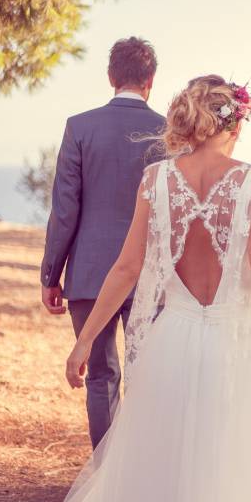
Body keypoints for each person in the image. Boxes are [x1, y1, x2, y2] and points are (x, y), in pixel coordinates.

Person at [56, 75, 251, 502]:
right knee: (230, 458)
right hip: (237, 344)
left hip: (173, 340)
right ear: (236, 123)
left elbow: (126, 269)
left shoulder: (155, 179)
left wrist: (84, 341)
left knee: (165, 460)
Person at [40, 37, 166, 449]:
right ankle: (144, 465)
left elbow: (65, 210)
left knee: (100, 375)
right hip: (150, 273)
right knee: (148, 376)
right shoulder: (170, 131)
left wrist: (51, 275)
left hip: (90, 273)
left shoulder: (80, 126)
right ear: (150, 80)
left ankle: (105, 471)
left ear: (111, 77)